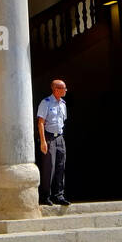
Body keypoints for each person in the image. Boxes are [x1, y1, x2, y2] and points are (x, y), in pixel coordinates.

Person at [37, 78, 69, 206]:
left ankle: (59, 195)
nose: (66, 90)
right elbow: (40, 123)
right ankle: (45, 196)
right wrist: (43, 141)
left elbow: (63, 121)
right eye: (63, 88)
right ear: (56, 89)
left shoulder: (63, 103)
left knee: (61, 166)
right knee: (49, 167)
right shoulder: (46, 103)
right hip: (49, 137)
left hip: (60, 137)